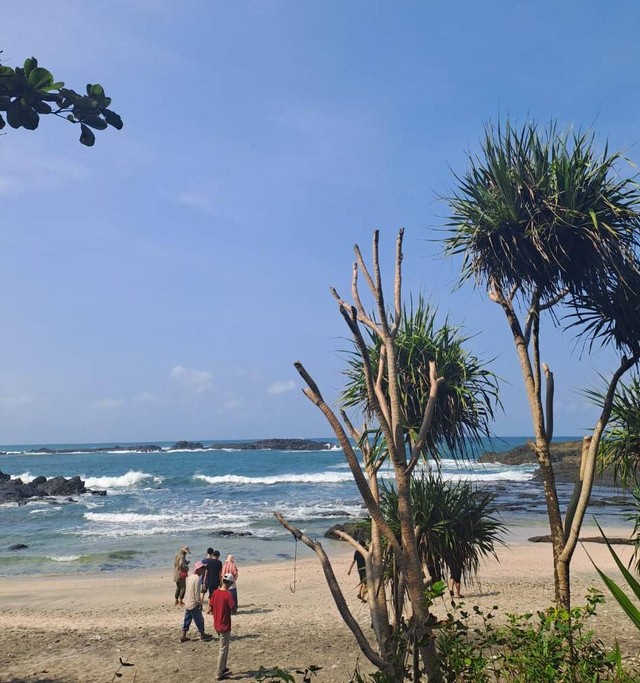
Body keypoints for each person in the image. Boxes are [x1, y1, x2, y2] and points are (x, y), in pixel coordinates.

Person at [210, 572, 237, 680]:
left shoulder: (216, 592)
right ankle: (219, 673)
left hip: (217, 623)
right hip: (224, 624)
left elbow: (211, 605)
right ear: (230, 583)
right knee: (223, 648)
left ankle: (223, 667)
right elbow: (233, 609)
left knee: (225, 647)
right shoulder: (228, 594)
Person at [179, 560, 213, 642]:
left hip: (188, 602)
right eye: (202, 569)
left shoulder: (190, 577)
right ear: (198, 569)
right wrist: (199, 603)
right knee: (200, 620)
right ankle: (202, 635)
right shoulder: (197, 579)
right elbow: (196, 593)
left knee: (187, 619)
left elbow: (189, 591)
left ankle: (183, 636)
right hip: (193, 604)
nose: (203, 571)